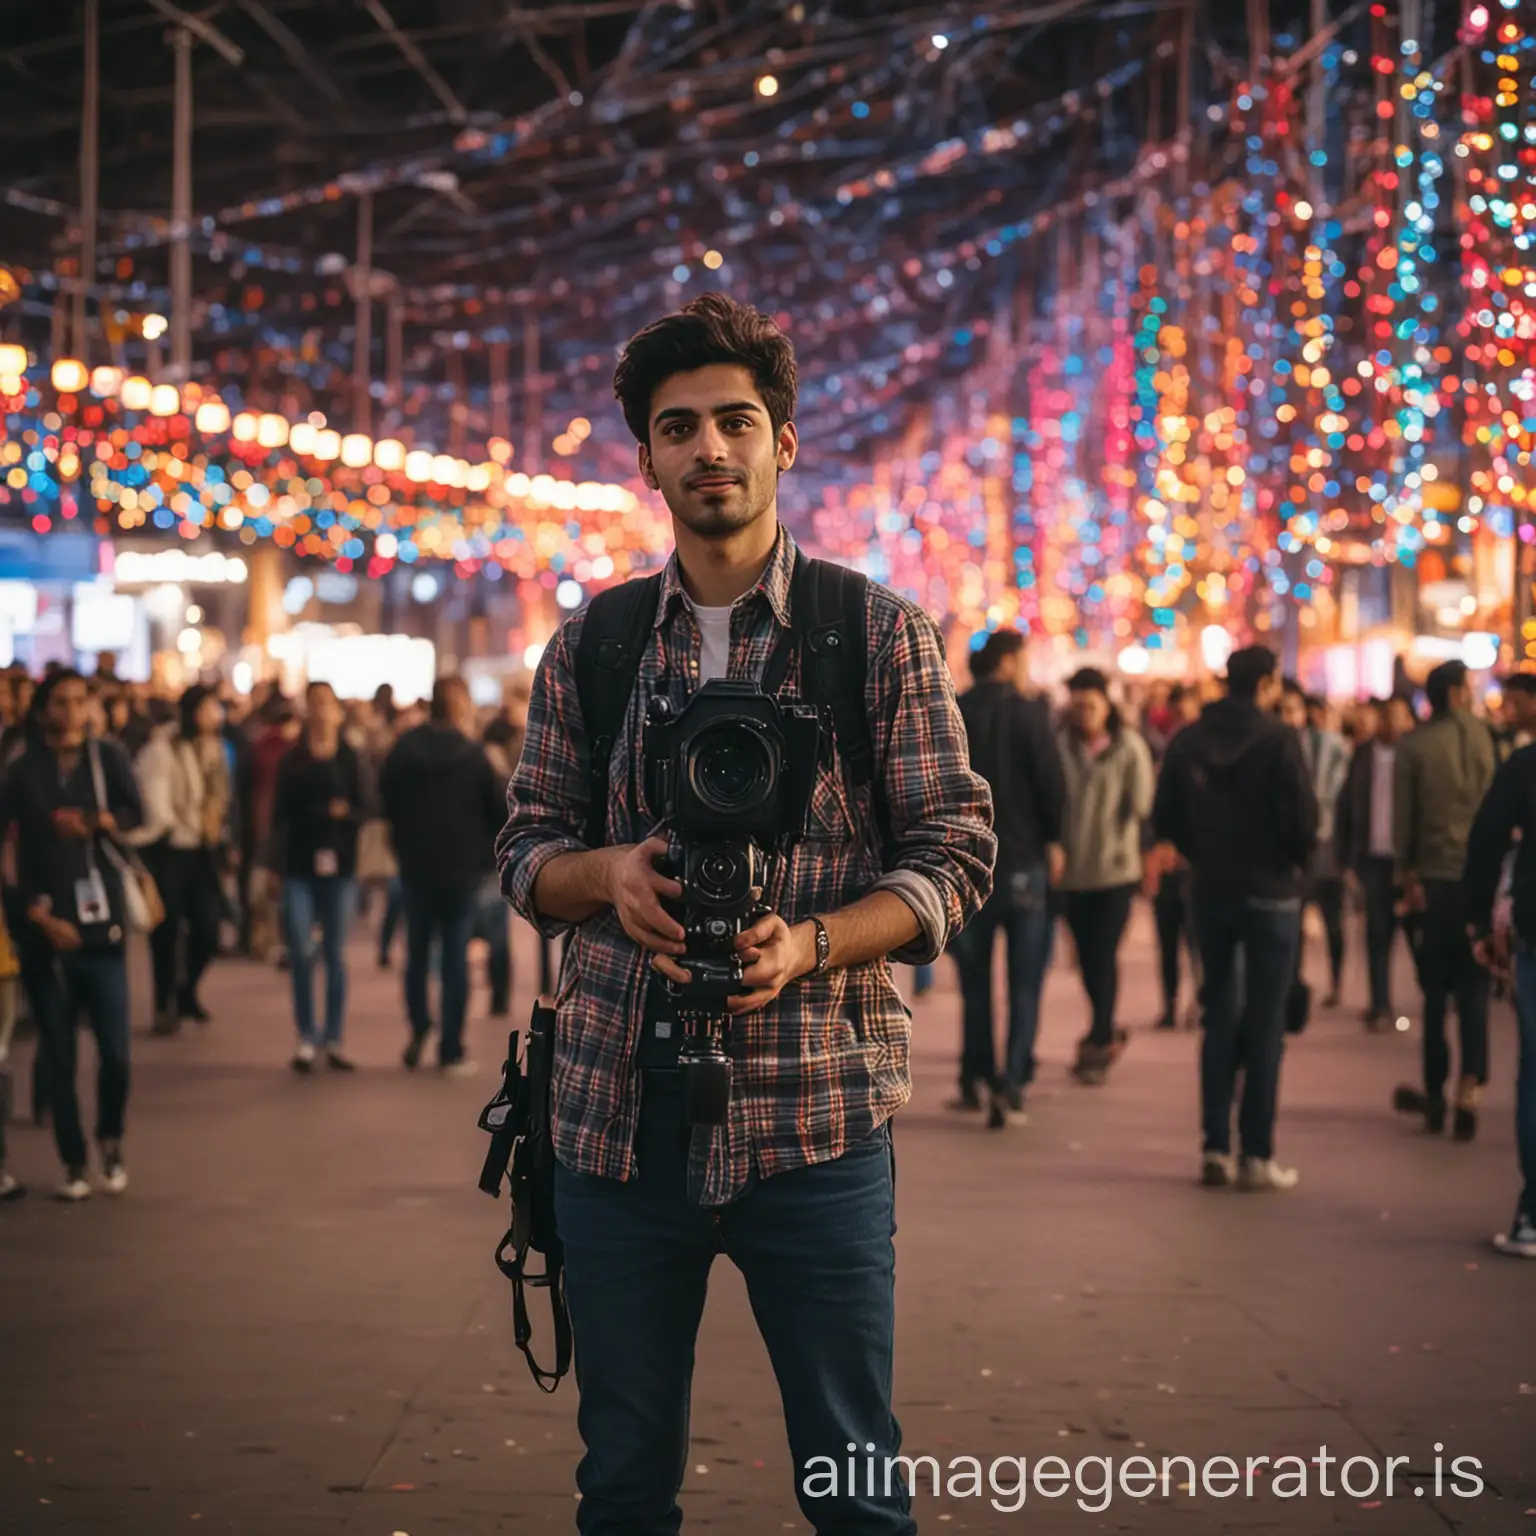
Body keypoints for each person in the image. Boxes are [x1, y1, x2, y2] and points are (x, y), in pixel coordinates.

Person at [497, 292, 994, 1534]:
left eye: (734, 422)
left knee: (855, 1487)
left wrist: (816, 942)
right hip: (616, 1128)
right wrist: (608, 876)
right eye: (679, 429)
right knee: (621, 1486)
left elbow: (958, 849)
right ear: (649, 458)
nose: (708, 449)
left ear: (783, 441)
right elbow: (522, 850)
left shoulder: (870, 633)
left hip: (816, 1124)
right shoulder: (597, 644)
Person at [1152, 645, 1317, 1191]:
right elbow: (1302, 819)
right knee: (1266, 1021)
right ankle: (1257, 1154)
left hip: (1211, 891)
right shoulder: (1278, 737)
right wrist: (1294, 864)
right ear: (1268, 683)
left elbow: (1165, 816)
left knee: (1217, 1011)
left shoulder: (1189, 739)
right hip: (1271, 892)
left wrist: (1201, 851)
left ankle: (1215, 1147)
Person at [0, 669, 143, 1200]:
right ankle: (74, 1161)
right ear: (42, 711)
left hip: (101, 925)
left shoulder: (106, 760)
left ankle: (110, 1138)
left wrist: (103, 821)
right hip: (44, 928)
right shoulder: (23, 771)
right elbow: (8, 851)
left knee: (116, 1053)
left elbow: (136, 812)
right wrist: (32, 914)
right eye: (60, 702)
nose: (71, 711)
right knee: (58, 1053)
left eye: (80, 701)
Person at [950, 627, 1064, 1126]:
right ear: (1009, 661)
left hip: (965, 865)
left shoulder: (956, 708)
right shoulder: (1030, 713)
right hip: (1022, 863)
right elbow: (1051, 782)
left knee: (973, 982)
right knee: (1024, 981)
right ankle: (1012, 1082)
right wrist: (1055, 839)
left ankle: (974, 1075)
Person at [1392, 660, 1496, 1140]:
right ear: (1456, 692)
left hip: (1433, 881)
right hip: (1479, 880)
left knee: (1435, 994)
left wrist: (1406, 880)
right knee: (1475, 990)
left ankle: (1435, 1092)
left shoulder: (1413, 747)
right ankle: (1469, 1088)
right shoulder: (1485, 739)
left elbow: (1403, 824)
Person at [381, 675, 504, 1076]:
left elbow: (387, 800)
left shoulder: (404, 749)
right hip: (461, 870)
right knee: (455, 957)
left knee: (417, 953)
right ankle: (451, 1047)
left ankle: (419, 1025)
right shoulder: (473, 755)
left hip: (416, 866)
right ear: (460, 705)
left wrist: (403, 841)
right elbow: (497, 812)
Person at [1057, 667, 1154, 1085]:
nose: (1084, 712)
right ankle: (1103, 1028)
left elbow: (1143, 805)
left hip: (1116, 872)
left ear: (1106, 704)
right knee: (1086, 957)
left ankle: (1099, 1037)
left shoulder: (1129, 746)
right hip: (1073, 874)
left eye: (1091, 704)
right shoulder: (1058, 746)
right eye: (1077, 704)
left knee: (1102, 953)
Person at [269, 681, 368, 1073]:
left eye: (327, 704)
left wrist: (346, 814)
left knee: (335, 955)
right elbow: (280, 815)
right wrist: (272, 867)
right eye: (314, 704)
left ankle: (334, 1038)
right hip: (299, 865)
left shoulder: (350, 757)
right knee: (300, 950)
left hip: (340, 866)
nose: (321, 711)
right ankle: (305, 1036)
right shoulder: (293, 759)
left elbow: (367, 806)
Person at [1463, 739, 1536, 1258]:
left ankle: (1533, 1215)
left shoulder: (1527, 764)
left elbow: (1487, 834)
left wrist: (1479, 918)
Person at [126, 684, 229, 1033]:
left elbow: (218, 797)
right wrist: (167, 825)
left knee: (208, 929)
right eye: (208, 708)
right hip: (168, 849)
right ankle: (164, 1002)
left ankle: (186, 991)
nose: (215, 716)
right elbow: (154, 802)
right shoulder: (162, 748)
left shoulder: (213, 749)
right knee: (166, 931)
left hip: (201, 849)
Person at [1336, 696, 1416, 1030]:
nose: (1392, 724)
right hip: (1372, 860)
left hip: (1408, 862)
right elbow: (1345, 808)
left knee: (1415, 933)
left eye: (1399, 717)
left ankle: (1438, 993)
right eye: (1387, 717)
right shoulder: (1364, 755)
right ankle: (1380, 1004)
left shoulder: (1414, 755)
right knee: (1377, 934)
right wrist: (1346, 860)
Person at [1279, 681, 1350, 1008]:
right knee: (1295, 921)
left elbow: (1344, 797)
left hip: (1328, 845)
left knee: (1332, 921)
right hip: (1302, 847)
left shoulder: (1333, 746)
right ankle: (1294, 983)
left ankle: (1335, 983)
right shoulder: (1288, 745)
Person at [1150, 683, 1203, 1030]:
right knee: (1167, 940)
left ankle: (1201, 1002)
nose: (1183, 719)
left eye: (1189, 712)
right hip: (1169, 861)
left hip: (1199, 863)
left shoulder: (1210, 751)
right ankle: (1169, 1004)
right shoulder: (1161, 748)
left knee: (1197, 941)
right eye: (1178, 713)